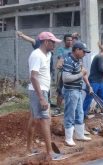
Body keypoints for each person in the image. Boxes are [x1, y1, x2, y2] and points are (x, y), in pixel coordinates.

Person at [26, 31, 64, 160]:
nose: (54, 45)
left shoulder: (47, 54)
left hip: (43, 90)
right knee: (45, 120)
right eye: (53, 42)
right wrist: (42, 97)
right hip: (39, 92)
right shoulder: (37, 55)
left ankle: (29, 149)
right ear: (46, 42)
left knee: (34, 119)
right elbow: (33, 77)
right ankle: (49, 154)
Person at [62, 42, 93, 146]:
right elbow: (65, 78)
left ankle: (79, 135)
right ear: (77, 50)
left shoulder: (78, 60)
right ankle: (68, 138)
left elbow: (83, 74)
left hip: (78, 90)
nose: (85, 54)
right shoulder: (68, 61)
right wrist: (80, 74)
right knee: (70, 114)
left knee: (80, 112)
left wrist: (89, 85)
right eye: (83, 51)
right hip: (71, 91)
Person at [83, 47, 103, 118]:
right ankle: (82, 115)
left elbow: (100, 70)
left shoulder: (101, 57)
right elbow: (101, 69)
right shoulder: (99, 57)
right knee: (89, 98)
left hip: (99, 81)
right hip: (94, 81)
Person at [54, 34, 73, 116]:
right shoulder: (61, 49)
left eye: (71, 40)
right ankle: (58, 108)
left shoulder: (74, 49)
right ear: (65, 41)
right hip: (63, 73)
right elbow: (60, 60)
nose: (70, 41)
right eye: (68, 40)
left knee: (72, 91)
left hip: (72, 73)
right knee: (60, 91)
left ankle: (69, 108)